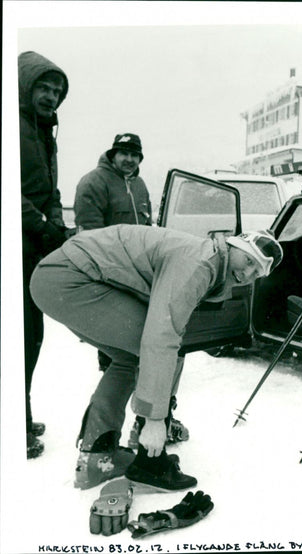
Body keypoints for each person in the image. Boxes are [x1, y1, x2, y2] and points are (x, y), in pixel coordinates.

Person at [30, 226, 283, 490]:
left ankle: (99, 455)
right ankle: (147, 454)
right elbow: (161, 336)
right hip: (68, 278)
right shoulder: (200, 263)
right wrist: (154, 420)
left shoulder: (210, 259)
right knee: (156, 347)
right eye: (249, 261)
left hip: (61, 276)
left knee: (133, 357)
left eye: (258, 272)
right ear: (234, 246)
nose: (247, 273)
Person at [18, 51, 73, 459]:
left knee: (30, 335)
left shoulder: (44, 134)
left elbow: (52, 190)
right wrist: (39, 222)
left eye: (57, 92)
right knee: (18, 337)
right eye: (44, 87)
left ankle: (19, 411)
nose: (51, 96)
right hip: (17, 243)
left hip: (33, 244)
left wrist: (54, 218)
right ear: (25, 85)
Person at [74, 132, 153, 376]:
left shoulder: (139, 184)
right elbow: (90, 233)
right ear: (113, 155)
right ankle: (110, 370)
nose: (129, 159)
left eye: (134, 155)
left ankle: (132, 369)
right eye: (124, 153)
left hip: (137, 265)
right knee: (111, 324)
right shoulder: (93, 182)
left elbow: (147, 225)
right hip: (109, 267)